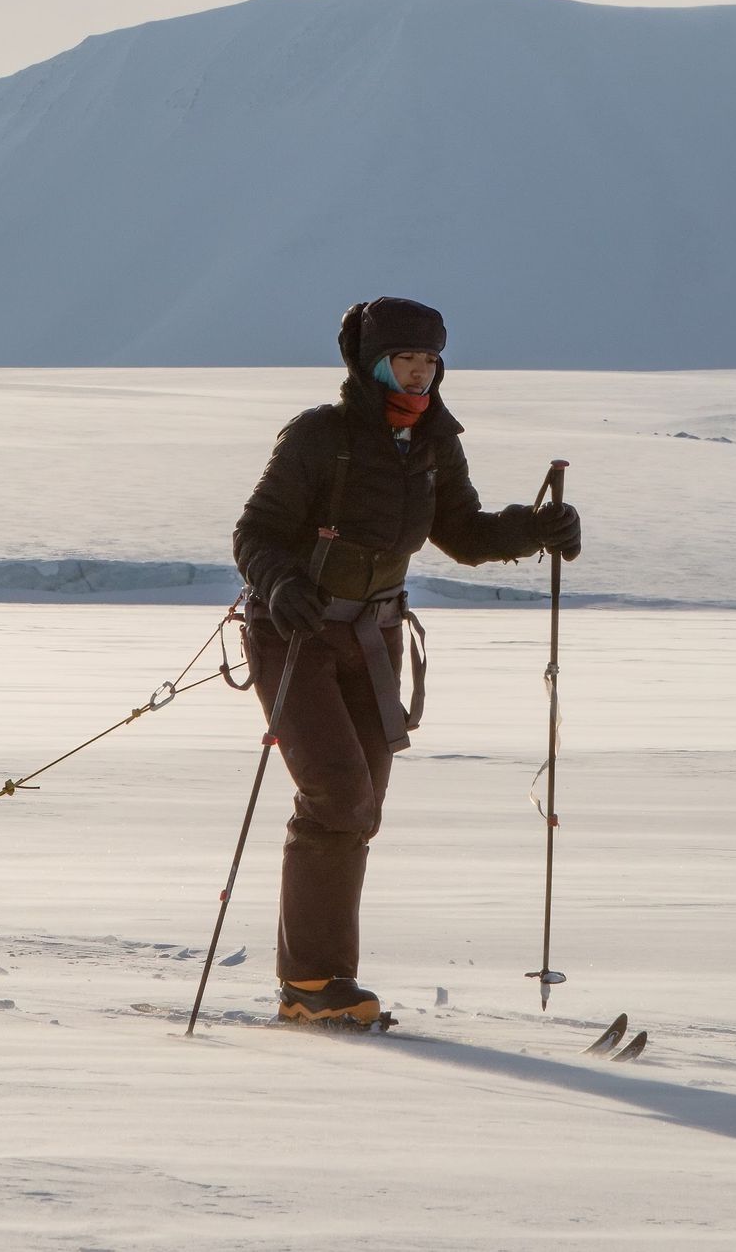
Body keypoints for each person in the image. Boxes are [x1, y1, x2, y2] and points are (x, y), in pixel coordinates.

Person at [231, 297, 581, 1027]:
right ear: (371, 363)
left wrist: (536, 528)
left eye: (429, 361)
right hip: (291, 635)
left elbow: (462, 532)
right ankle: (311, 983)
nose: (419, 374)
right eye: (405, 361)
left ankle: (325, 979)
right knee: (337, 796)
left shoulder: (433, 443)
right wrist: (282, 583)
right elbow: (256, 531)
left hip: (373, 638)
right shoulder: (318, 437)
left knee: (360, 808)